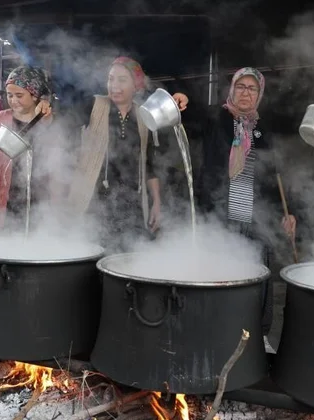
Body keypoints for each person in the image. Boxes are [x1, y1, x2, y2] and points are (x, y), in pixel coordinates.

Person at [195, 67, 297, 346]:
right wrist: (181, 99)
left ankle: (256, 335)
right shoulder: (216, 119)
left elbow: (274, 175)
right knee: (221, 274)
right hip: (220, 214)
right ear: (232, 89)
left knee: (256, 275)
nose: (245, 93)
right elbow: (188, 118)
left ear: (259, 94)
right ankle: (217, 332)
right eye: (240, 86)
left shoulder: (263, 130)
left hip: (256, 216)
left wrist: (287, 211)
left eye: (252, 88)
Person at [66, 56, 189, 252]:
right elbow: (64, 124)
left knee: (128, 259)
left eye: (122, 80)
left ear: (136, 85)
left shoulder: (144, 115)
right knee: (92, 258)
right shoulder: (93, 105)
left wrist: (156, 202)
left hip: (132, 205)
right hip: (93, 204)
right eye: (111, 79)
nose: (114, 85)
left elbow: (149, 164)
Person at [0, 66, 62, 231]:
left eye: (19, 95)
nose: (13, 100)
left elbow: (60, 158)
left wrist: (47, 121)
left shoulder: (47, 119)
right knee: (5, 241)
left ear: (35, 95)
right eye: (9, 95)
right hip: (5, 201)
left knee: (38, 241)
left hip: (40, 202)